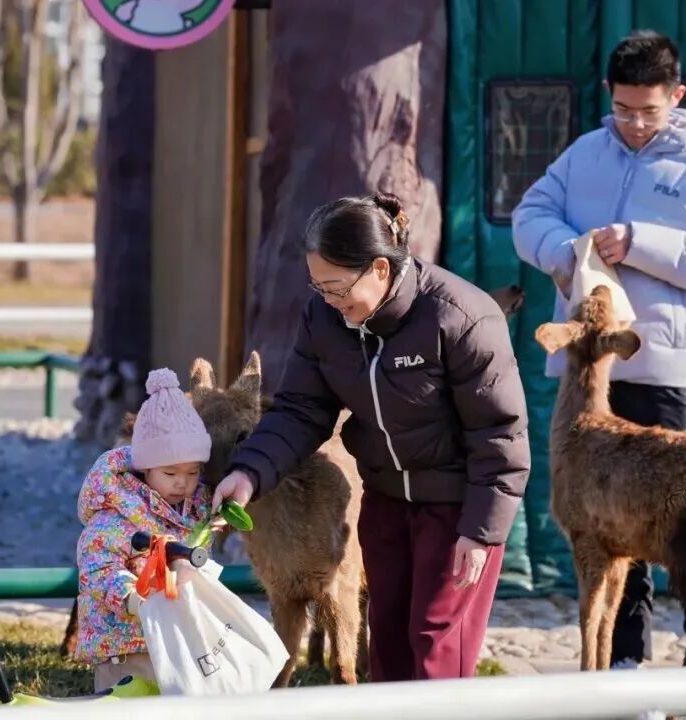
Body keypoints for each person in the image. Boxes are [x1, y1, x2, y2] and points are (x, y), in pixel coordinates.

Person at [512, 30, 686, 668]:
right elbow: (529, 215)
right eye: (623, 109)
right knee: (607, 523)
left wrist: (640, 242)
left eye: (649, 110)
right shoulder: (583, 155)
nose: (636, 124)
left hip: (667, 374)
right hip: (593, 379)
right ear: (608, 94)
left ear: (677, 95)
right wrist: (568, 251)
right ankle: (624, 660)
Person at [211, 192, 531, 681]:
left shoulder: (461, 316)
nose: (328, 300)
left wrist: (480, 532)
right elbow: (300, 411)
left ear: (380, 268)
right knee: (388, 642)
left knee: (435, 645)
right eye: (317, 286)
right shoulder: (324, 318)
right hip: (385, 501)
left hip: (457, 509)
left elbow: (500, 434)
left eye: (336, 286)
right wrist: (249, 473)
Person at [73, 368, 214, 692]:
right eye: (170, 473)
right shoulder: (115, 514)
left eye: (193, 472)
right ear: (145, 467)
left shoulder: (192, 509)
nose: (182, 483)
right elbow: (98, 568)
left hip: (174, 637)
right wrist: (132, 599)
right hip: (124, 643)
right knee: (127, 705)